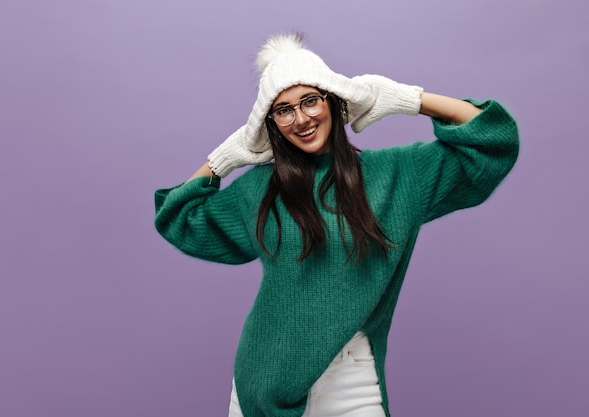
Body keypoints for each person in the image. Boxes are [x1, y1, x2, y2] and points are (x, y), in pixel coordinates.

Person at [154, 33, 519, 417]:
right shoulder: (259, 189)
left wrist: (408, 99)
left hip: (353, 380)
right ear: (272, 123)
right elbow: (179, 218)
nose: (302, 119)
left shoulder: (395, 174)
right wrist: (224, 159)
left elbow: (493, 139)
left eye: (311, 100)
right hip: (265, 382)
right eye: (284, 110)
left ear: (332, 100)